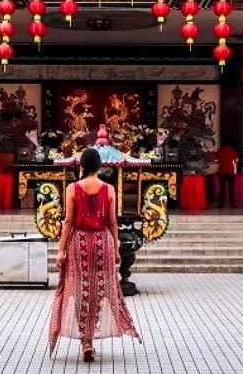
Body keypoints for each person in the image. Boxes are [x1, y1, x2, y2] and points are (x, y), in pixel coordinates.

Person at [48, 148, 140, 362]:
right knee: (100, 290)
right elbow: (112, 222)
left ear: (81, 166)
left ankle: (85, 341)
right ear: (99, 166)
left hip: (79, 242)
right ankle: (91, 335)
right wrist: (116, 247)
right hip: (102, 243)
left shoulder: (72, 188)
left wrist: (61, 250)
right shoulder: (108, 189)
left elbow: (68, 222)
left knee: (80, 290)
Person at [215, 139, 240, 209]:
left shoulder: (220, 151)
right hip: (231, 173)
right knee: (231, 189)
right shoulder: (232, 151)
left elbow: (216, 160)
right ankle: (233, 204)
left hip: (222, 172)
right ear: (230, 144)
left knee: (222, 189)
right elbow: (236, 160)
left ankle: (220, 205)